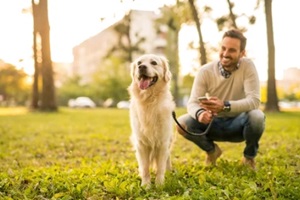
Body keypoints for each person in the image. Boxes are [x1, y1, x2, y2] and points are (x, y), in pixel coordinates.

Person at [175, 29, 265, 170]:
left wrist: (225, 105)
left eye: (232, 50)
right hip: (212, 125)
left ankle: (249, 158)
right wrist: (200, 114)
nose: (225, 54)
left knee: (257, 116)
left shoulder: (247, 66)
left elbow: (254, 101)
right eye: (223, 48)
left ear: (242, 53)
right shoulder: (205, 71)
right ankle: (212, 151)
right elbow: (192, 102)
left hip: (239, 124)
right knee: (182, 123)